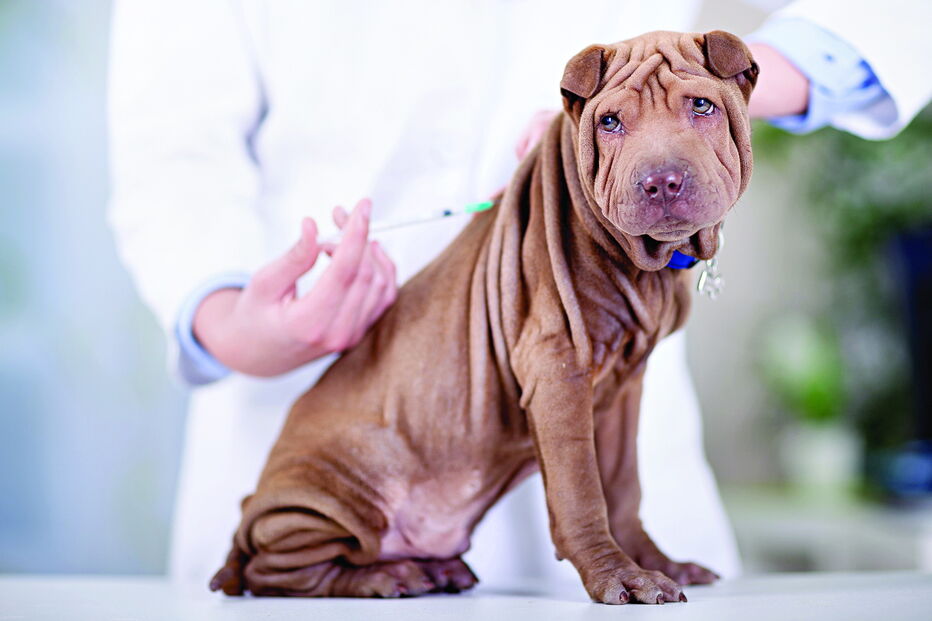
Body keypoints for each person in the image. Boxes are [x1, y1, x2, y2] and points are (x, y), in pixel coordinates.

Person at [108, 0, 930, 588]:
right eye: (611, 122)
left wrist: (730, 89)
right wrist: (230, 321)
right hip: (330, 416)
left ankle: (620, 533)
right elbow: (169, 159)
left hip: (628, 402)